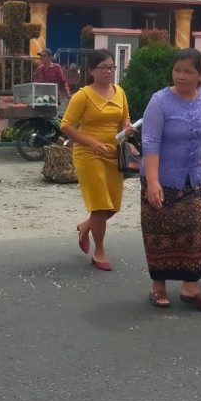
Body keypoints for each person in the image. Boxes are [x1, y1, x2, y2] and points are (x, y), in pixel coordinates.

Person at [141, 48, 201, 311]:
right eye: (177, 70)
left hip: (196, 179)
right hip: (163, 179)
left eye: (188, 71)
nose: (181, 76)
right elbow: (150, 142)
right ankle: (158, 287)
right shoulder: (160, 101)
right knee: (161, 232)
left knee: (200, 231)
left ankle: (191, 287)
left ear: (200, 74)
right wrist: (153, 182)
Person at [60, 48, 133, 271]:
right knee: (100, 205)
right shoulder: (83, 96)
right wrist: (91, 143)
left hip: (113, 153)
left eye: (112, 67)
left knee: (113, 206)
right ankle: (99, 250)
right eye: (104, 67)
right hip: (89, 154)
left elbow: (125, 118)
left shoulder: (119, 91)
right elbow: (66, 126)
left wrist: (127, 127)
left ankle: (86, 226)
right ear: (91, 70)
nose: (109, 71)